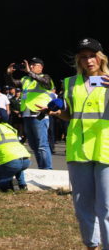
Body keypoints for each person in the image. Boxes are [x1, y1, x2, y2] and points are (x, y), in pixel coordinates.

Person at [54, 38, 109, 249]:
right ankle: (91, 245)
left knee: (106, 207)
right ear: (78, 60)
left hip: (105, 149)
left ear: (101, 57)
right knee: (82, 206)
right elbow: (70, 114)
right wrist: (57, 113)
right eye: (84, 57)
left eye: (93, 56)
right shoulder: (70, 83)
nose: (89, 60)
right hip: (78, 150)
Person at [6, 56, 54, 170]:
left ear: (41, 67)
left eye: (33, 65)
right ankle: (42, 168)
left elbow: (46, 83)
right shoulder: (25, 79)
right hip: (27, 115)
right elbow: (12, 83)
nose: (30, 66)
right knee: (33, 145)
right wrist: (8, 74)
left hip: (39, 115)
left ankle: (47, 169)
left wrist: (29, 72)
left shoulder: (45, 77)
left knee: (42, 145)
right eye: (30, 65)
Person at [0, 107, 30, 191]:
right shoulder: (11, 128)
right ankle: (22, 184)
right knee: (18, 167)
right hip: (25, 160)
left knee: (1, 170)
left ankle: (5, 185)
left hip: (11, 161)